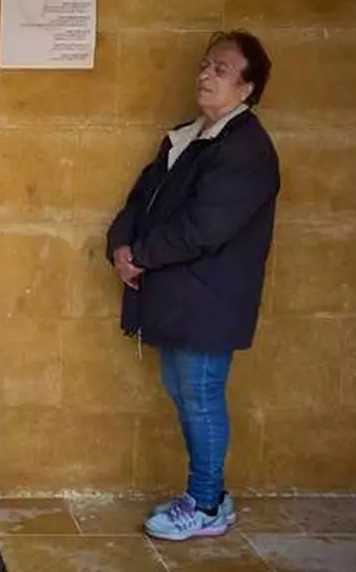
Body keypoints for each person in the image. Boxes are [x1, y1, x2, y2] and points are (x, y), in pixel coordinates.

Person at [106, 30, 279, 542]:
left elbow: (204, 227)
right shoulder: (189, 136)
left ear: (247, 90)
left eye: (221, 70)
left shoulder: (246, 149)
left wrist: (140, 255)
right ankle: (208, 495)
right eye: (205, 65)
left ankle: (205, 503)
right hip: (180, 295)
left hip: (209, 299)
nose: (205, 74)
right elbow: (141, 199)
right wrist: (120, 243)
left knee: (199, 395)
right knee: (184, 393)